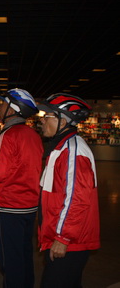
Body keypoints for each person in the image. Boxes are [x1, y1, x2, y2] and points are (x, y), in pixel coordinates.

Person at [0, 88, 43, 288]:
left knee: (9, 260)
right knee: (24, 254)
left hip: (10, 205)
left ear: (12, 109)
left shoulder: (8, 135)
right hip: (30, 205)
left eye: (3, 104)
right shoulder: (33, 135)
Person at [37, 93, 100, 288]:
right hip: (63, 237)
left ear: (62, 121)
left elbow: (77, 199)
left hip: (69, 240)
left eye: (46, 116)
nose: (41, 120)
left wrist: (63, 238)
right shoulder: (62, 147)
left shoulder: (73, 150)